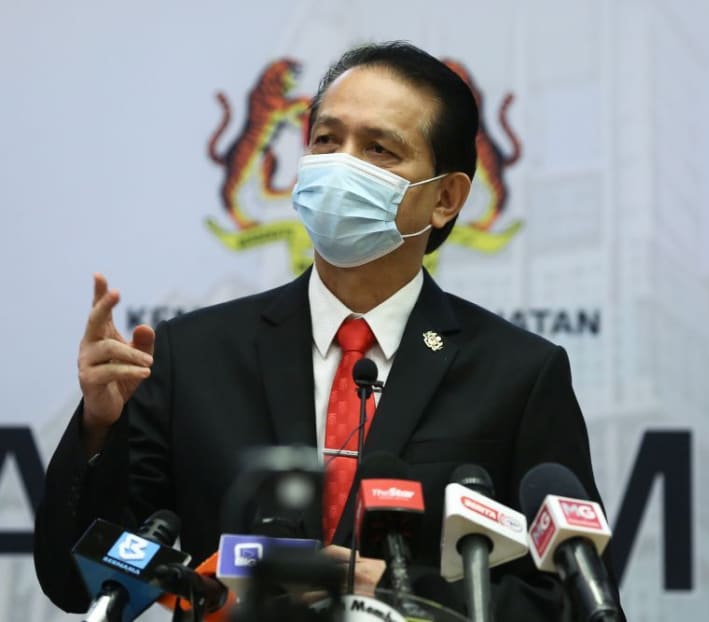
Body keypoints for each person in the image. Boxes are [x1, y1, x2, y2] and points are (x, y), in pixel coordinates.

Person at [35, 41, 622, 619]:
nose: (341, 166)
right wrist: (99, 432)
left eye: (378, 150)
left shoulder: (518, 374)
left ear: (445, 198)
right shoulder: (195, 354)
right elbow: (76, 582)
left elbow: (578, 603)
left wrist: (399, 592)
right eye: (326, 140)